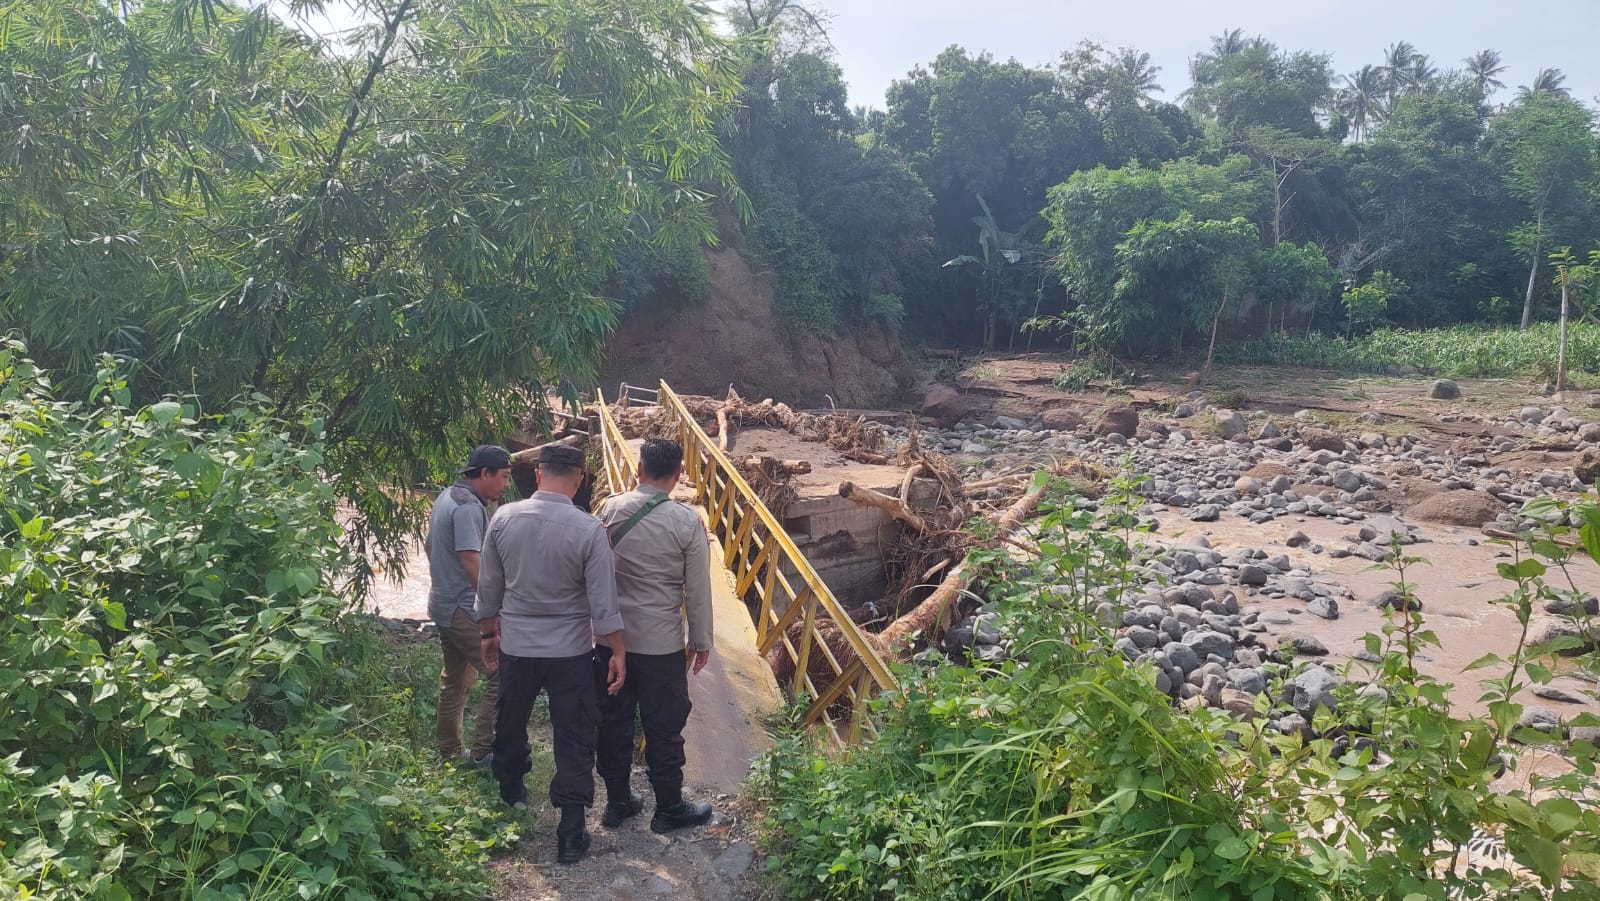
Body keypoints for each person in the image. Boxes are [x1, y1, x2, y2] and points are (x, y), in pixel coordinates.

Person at [477, 444, 627, 865]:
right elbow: (604, 604)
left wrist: (488, 634)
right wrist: (617, 651)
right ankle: (571, 832)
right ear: (579, 479)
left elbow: (488, 588)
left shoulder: (503, 518)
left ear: (539, 474)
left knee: (510, 720)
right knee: (574, 734)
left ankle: (511, 793)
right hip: (571, 651)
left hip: (518, 646)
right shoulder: (589, 530)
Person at [594, 438, 715, 834]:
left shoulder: (610, 508)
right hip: (661, 646)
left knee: (613, 722)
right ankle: (669, 809)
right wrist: (701, 641)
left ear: (639, 468)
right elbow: (697, 590)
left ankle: (617, 803)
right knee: (664, 727)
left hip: (610, 642)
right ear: (678, 474)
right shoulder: (686, 522)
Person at [425, 444, 511, 768]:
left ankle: (449, 752)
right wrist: (490, 611)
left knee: (456, 680)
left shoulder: (447, 496)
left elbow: (429, 547)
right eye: (503, 477)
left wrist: (444, 580)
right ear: (485, 473)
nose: (505, 485)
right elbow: (470, 560)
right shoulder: (468, 508)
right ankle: (484, 752)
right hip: (464, 609)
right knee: (501, 672)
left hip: (442, 603)